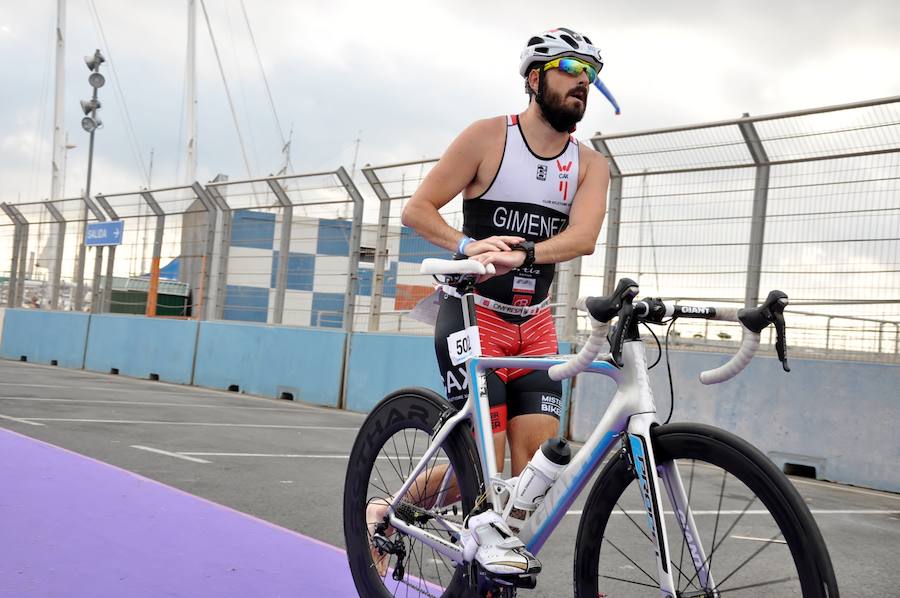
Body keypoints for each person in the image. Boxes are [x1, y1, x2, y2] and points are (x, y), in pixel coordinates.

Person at [370, 27, 610, 581]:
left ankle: (405, 519)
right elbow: (417, 209)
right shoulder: (487, 138)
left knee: (528, 476)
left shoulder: (591, 164)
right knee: (485, 462)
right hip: (474, 312)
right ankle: (401, 522)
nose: (583, 84)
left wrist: (525, 251)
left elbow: (583, 237)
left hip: (536, 324)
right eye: (571, 70)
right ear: (534, 78)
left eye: (592, 75)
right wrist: (467, 245)